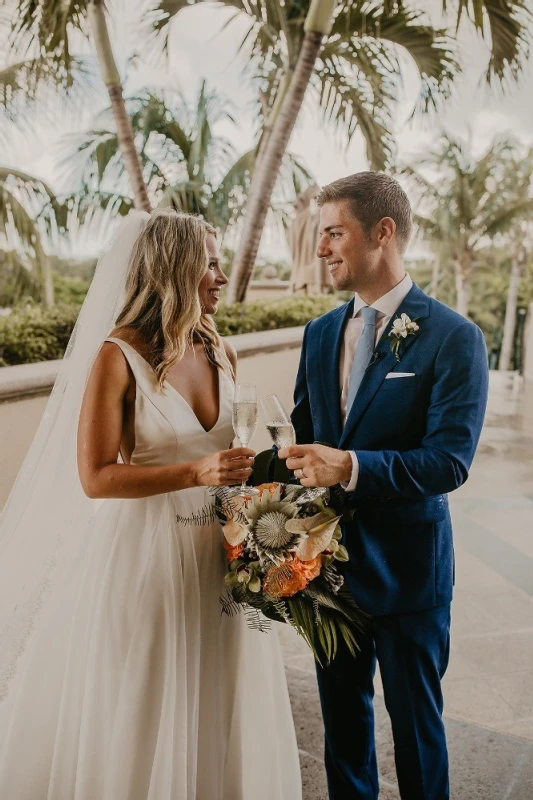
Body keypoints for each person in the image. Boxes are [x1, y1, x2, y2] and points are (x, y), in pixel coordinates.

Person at [0, 209, 302, 799]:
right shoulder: (118, 356)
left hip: (218, 558)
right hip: (144, 557)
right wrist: (194, 471)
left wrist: (270, 509)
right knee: (146, 695)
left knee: (216, 692)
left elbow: (231, 456)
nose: (221, 275)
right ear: (175, 268)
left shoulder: (221, 350)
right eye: (210, 263)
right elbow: (94, 477)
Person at [278, 172, 489, 800]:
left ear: (384, 233)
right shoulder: (319, 335)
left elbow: (449, 462)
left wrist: (352, 467)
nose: (323, 250)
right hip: (331, 574)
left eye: (335, 233)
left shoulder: (455, 337)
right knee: (343, 734)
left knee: (418, 731)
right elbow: (305, 435)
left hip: (409, 575)